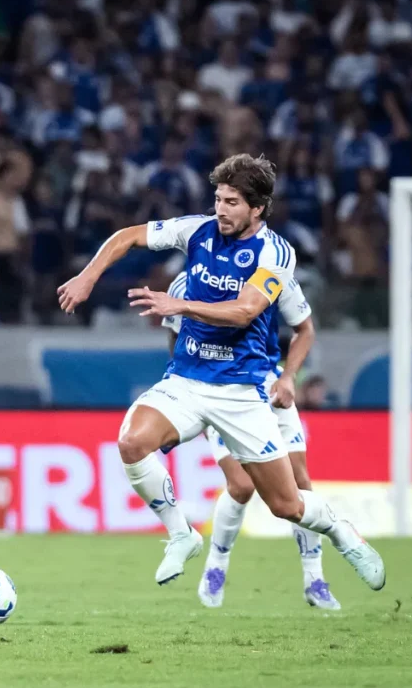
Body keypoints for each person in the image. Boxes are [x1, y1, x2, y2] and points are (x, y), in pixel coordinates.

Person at [57, 153, 385, 592]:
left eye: (232, 202)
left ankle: (343, 533)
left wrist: (181, 305)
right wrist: (88, 276)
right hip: (188, 382)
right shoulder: (197, 229)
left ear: (257, 208)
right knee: (132, 442)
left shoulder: (275, 253)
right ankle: (181, 534)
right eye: (218, 199)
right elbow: (129, 236)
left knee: (287, 504)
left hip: (241, 391)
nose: (221, 209)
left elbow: (245, 310)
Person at [161, 271, 340, 609]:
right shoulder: (185, 283)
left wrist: (288, 377)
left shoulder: (273, 273)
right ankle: (217, 564)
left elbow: (304, 328)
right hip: (215, 391)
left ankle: (314, 578)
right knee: (241, 485)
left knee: (300, 481)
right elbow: (174, 340)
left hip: (267, 385)